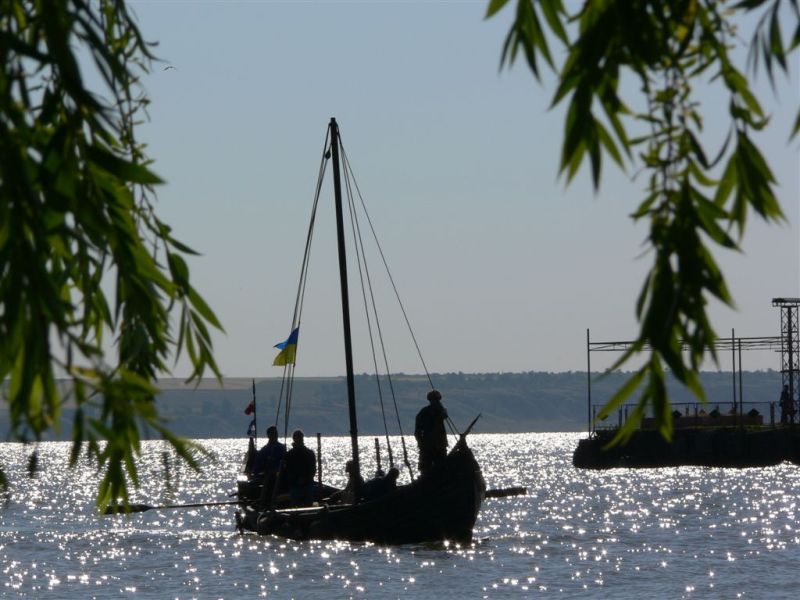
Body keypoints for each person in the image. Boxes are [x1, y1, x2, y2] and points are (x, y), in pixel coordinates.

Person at [415, 389, 448, 477]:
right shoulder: (426, 412)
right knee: (427, 468)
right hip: (429, 446)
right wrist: (421, 443)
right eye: (435, 400)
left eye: (437, 400)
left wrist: (421, 443)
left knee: (440, 467)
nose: (436, 402)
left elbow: (445, 416)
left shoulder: (438, 411)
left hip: (438, 445)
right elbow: (417, 432)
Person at [252, 426, 287, 508]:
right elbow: (256, 469)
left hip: (282, 479)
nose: (275, 435)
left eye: (276, 433)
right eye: (273, 434)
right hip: (268, 480)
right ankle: (265, 505)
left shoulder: (282, 448)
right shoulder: (264, 450)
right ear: (268, 435)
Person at [283, 429, 317, 506]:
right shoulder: (289, 455)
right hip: (298, 485)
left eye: (300, 438)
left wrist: (304, 479)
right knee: (300, 505)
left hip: (304, 485)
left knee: (302, 506)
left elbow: (313, 470)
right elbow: (287, 470)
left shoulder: (290, 454)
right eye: (298, 438)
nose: (299, 440)